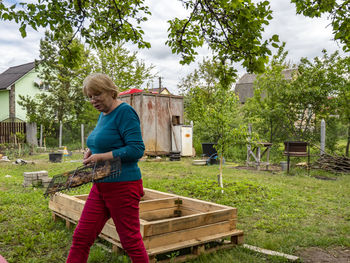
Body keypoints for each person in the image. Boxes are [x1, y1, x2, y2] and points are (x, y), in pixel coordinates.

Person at [66, 73, 149, 263]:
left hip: (124, 186)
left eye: (97, 94)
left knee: (131, 242)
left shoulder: (125, 112)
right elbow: (106, 140)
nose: (93, 100)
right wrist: (90, 150)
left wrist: (101, 156)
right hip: (101, 185)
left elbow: (137, 149)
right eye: (89, 96)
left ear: (111, 92)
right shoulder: (103, 114)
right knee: (81, 237)